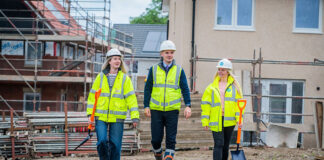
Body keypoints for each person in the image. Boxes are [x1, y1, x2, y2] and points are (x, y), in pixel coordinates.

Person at [86, 48, 139, 160]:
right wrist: (89, 115)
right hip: (100, 116)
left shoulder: (125, 79)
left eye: (119, 59)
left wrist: (135, 117)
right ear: (109, 61)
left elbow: (131, 99)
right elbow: (92, 97)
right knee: (101, 141)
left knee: (115, 145)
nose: (117, 61)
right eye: (115, 59)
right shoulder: (100, 77)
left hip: (117, 117)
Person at [144, 40, 192, 160]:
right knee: (155, 140)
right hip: (156, 110)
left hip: (172, 111)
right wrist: (146, 105)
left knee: (171, 139)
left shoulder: (179, 70)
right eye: (167, 52)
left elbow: (185, 89)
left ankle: (169, 156)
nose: (169, 55)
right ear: (162, 54)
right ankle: (158, 154)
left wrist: (188, 105)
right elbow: (148, 89)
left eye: (171, 52)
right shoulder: (153, 69)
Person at [201, 59, 244, 160]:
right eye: (219, 69)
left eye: (223, 70)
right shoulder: (211, 87)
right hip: (216, 119)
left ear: (228, 71)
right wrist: (205, 120)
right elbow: (206, 105)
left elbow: (239, 105)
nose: (220, 72)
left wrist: (239, 119)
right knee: (219, 143)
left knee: (225, 145)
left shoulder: (235, 87)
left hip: (230, 120)